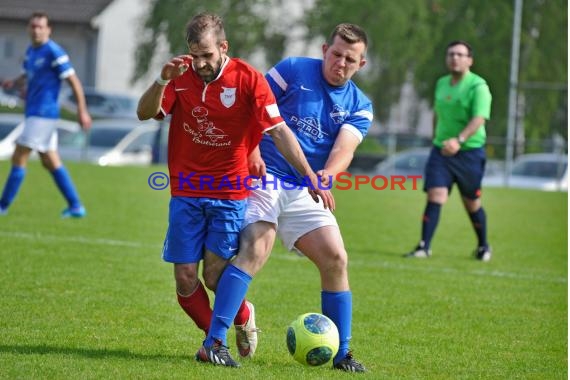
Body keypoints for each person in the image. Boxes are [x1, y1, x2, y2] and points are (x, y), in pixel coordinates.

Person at [136, 12, 334, 368]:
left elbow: (279, 131)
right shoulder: (180, 78)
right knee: (184, 279)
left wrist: (309, 175)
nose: (200, 64)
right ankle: (218, 340)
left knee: (214, 276)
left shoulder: (249, 79)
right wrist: (161, 81)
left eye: (207, 56)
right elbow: (145, 113)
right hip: (186, 191)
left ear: (223, 48)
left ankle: (235, 322)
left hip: (229, 194)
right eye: (194, 55)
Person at [201, 23, 372, 372]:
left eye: (349, 59)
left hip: (306, 186)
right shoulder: (293, 69)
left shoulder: (360, 104)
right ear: (325, 49)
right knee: (256, 249)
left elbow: (346, 148)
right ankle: (213, 343)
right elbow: (252, 106)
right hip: (264, 177)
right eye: (336, 54)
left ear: (361, 64)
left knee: (336, 258)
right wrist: (250, 151)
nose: (340, 63)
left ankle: (343, 354)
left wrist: (327, 175)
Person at [405, 40, 492, 261]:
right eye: (451, 54)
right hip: (441, 152)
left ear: (469, 60)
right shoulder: (442, 83)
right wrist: (437, 137)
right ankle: (424, 246)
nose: (455, 58)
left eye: (460, 55)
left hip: (469, 152)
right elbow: (437, 112)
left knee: (471, 203)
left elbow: (479, 118)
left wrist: (459, 140)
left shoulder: (478, 86)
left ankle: (483, 246)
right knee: (435, 195)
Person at [0, 11, 92, 217]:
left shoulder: (54, 51)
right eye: (33, 26)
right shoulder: (31, 51)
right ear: (28, 29)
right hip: (34, 112)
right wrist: (13, 83)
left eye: (40, 27)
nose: (36, 30)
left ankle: (3, 205)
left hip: (43, 113)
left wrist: (82, 110)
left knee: (19, 155)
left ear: (48, 30)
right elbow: (27, 75)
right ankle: (76, 206)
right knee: (50, 160)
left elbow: (74, 81)